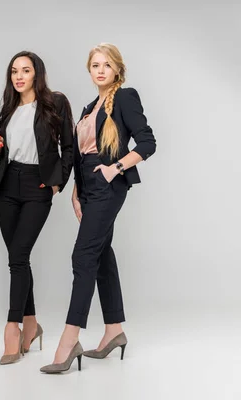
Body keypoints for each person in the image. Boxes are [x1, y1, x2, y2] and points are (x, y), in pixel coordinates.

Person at [41, 43, 156, 374]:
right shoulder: (89, 107)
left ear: (117, 69)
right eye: (95, 65)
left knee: (83, 257)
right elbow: (82, 152)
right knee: (102, 254)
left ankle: (68, 340)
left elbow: (147, 143)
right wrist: (77, 190)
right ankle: (114, 330)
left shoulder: (124, 97)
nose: (100, 70)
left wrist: (114, 169)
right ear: (89, 70)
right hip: (89, 189)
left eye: (107, 64)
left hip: (108, 185)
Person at [0, 51, 73, 365]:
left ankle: (13, 326)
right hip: (8, 186)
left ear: (37, 73)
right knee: (17, 258)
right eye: (14, 71)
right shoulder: (9, 108)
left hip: (38, 186)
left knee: (18, 257)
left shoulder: (55, 103)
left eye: (25, 70)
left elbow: (68, 146)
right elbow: (6, 152)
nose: (19, 76)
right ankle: (32, 323)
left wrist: (57, 181)